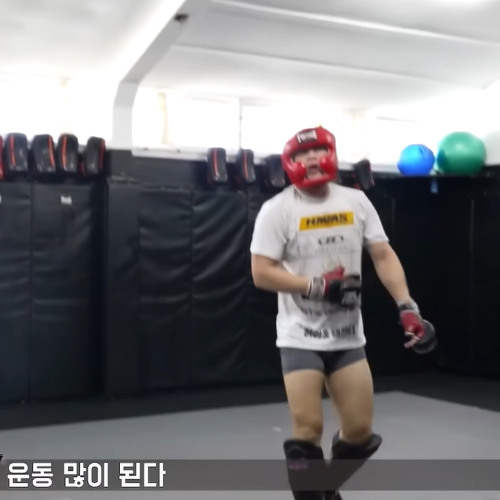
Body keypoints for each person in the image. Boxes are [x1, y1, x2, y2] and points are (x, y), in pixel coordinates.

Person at [249, 126, 434, 500]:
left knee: (360, 435)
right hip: (300, 334)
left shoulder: (356, 202)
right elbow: (261, 272)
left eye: (318, 150)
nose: (311, 158)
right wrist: (317, 286)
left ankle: (324, 488)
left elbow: (382, 255)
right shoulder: (278, 210)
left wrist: (408, 307)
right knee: (307, 432)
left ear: (331, 155)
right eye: (302, 154)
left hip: (348, 335)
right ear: (290, 162)